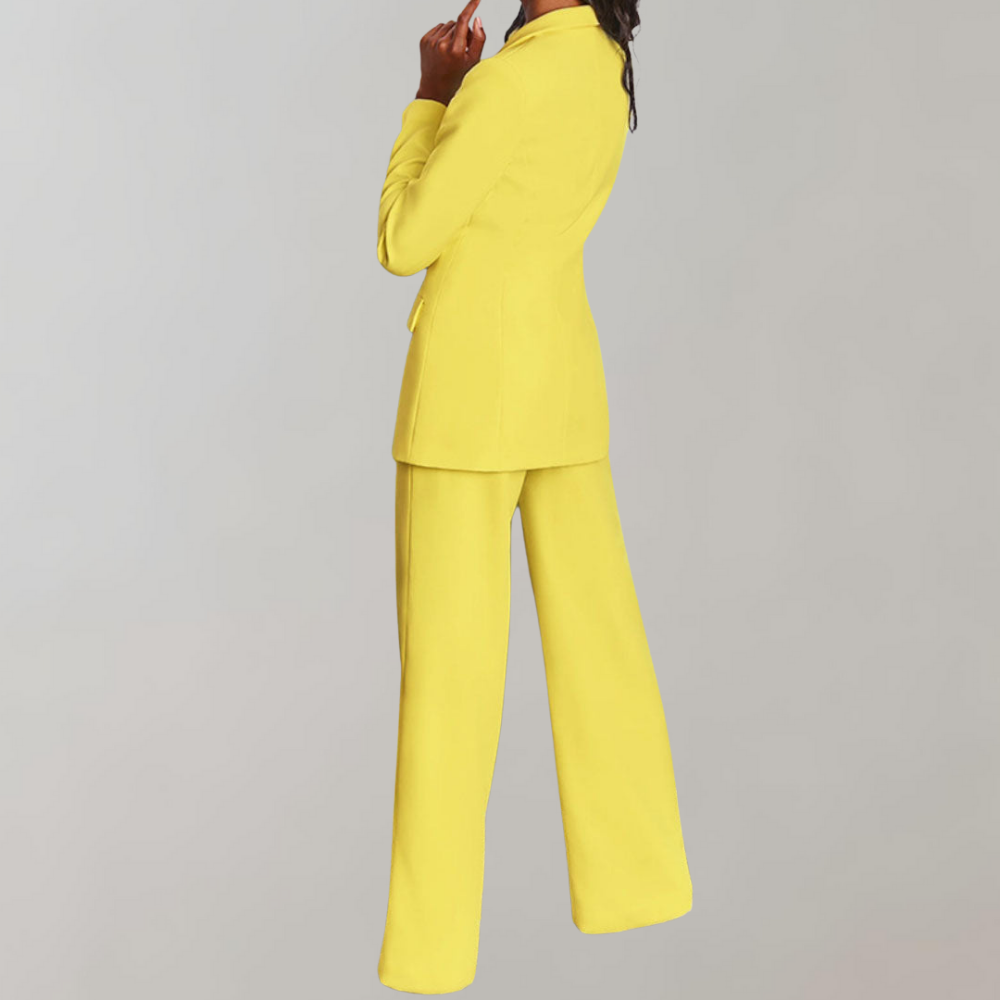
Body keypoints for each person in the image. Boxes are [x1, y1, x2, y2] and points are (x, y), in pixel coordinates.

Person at [374, 1, 693, 992]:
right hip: (562, 397)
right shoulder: (602, 65)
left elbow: (403, 238)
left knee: (449, 694)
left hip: (466, 410)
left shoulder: (506, 84)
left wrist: (431, 98)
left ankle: (430, 959)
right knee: (605, 658)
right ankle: (637, 886)